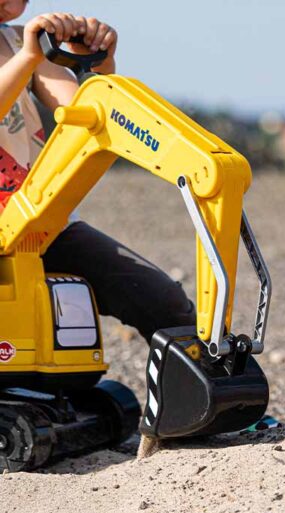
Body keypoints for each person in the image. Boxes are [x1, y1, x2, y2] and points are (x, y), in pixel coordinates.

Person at [0, 2, 195, 342]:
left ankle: (200, 386)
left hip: (35, 224)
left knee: (165, 304)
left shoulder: (18, 42)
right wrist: (28, 59)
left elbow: (86, 116)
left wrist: (100, 68)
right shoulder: (26, 52)